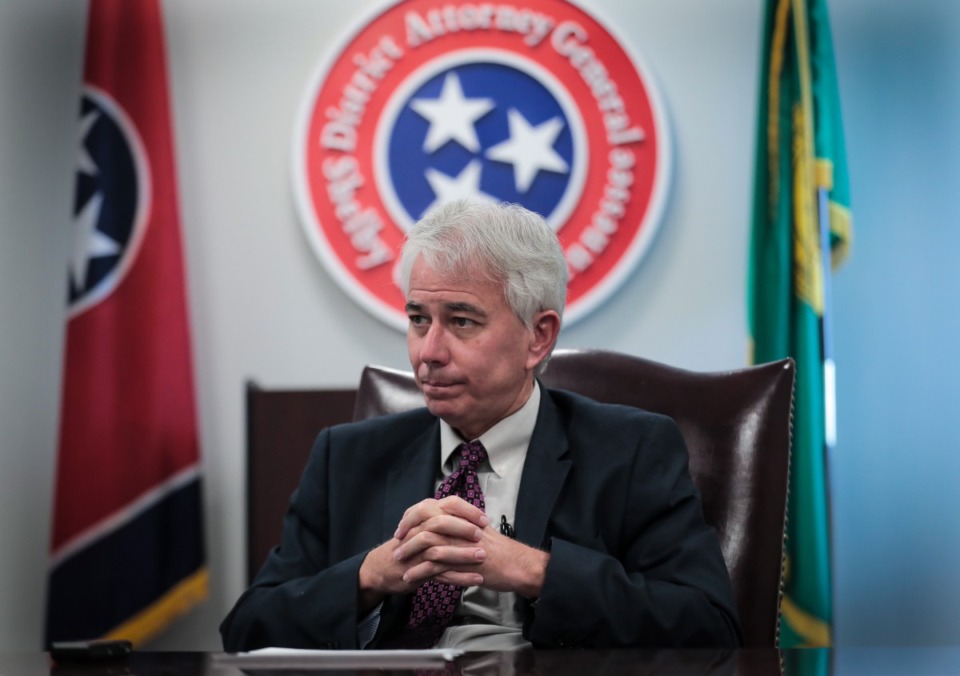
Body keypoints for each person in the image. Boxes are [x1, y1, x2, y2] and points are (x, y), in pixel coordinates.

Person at [220, 199, 742, 651]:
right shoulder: (347, 457)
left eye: (462, 321)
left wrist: (535, 572)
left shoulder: (630, 451)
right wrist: (367, 577)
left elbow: (707, 627)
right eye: (418, 318)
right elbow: (247, 629)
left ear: (538, 337)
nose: (428, 353)